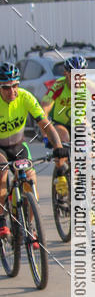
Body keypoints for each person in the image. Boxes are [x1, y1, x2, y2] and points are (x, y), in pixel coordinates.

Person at [0, 62, 68, 238]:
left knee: (30, 180)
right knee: (2, 172)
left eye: (15, 85)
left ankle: (29, 226)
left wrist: (58, 147)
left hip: (17, 145)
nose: (12, 91)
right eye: (6, 87)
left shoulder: (25, 97)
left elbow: (46, 125)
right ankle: (1, 220)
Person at [42, 54, 95, 186]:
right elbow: (44, 109)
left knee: (90, 155)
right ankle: (60, 177)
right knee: (63, 140)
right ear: (66, 74)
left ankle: (90, 197)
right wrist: (45, 134)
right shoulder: (58, 86)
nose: (78, 79)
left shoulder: (89, 86)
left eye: (82, 75)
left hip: (79, 123)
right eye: (74, 75)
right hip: (60, 124)